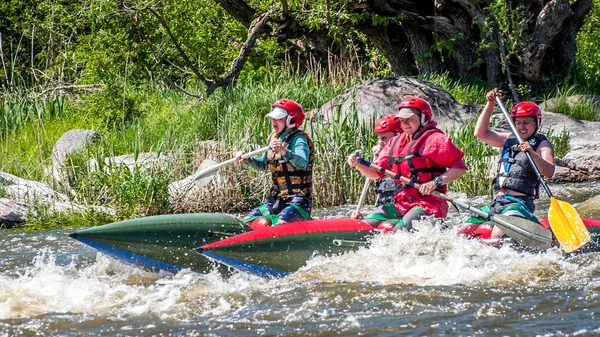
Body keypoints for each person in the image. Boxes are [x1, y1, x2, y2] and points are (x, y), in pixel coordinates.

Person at [347, 97, 467, 231]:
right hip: (401, 203)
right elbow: (375, 174)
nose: (405, 123)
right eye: (402, 120)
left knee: (399, 231)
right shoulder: (394, 143)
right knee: (364, 225)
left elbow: (459, 168)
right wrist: (357, 164)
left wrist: (435, 182)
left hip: (430, 204)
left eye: (410, 119)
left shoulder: (435, 140)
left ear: (423, 118)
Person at [457, 89, 555, 240]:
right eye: (518, 123)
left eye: (526, 123)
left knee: (497, 233)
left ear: (537, 122)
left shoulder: (543, 143)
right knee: (463, 230)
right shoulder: (508, 139)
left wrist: (533, 154)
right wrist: (490, 104)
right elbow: (480, 133)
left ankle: (529, 224)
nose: (522, 127)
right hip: (498, 201)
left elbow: (549, 171)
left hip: (520, 203)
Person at [235, 99, 314, 229]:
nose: (273, 122)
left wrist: (284, 151)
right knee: (247, 222)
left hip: (299, 200)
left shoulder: (299, 139)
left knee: (279, 225)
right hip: (276, 199)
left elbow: (303, 163)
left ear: (291, 120)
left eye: (278, 119)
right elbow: (263, 164)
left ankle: (282, 226)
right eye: (273, 118)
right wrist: (248, 160)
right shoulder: (273, 138)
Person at [351, 114, 404, 219]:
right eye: (379, 138)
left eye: (384, 138)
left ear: (398, 136)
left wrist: (386, 154)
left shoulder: (404, 153)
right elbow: (374, 174)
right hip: (387, 209)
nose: (380, 142)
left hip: (401, 208)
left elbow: (375, 174)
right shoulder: (382, 155)